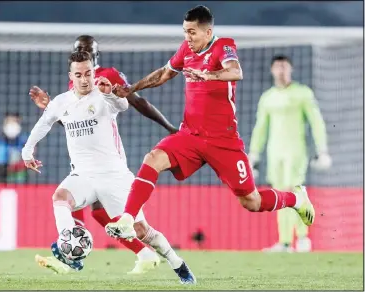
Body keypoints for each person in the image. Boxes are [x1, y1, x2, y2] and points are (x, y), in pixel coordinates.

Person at [105, 5, 315, 243]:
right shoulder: (186, 50)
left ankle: (296, 200)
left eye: (192, 32)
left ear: (207, 31)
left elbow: (236, 72)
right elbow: (164, 73)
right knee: (152, 158)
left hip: (223, 141)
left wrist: (209, 75)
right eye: (185, 31)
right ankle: (127, 219)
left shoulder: (223, 45)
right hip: (191, 136)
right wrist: (131, 89)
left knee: (252, 202)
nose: (187, 37)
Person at [22, 51, 195, 284]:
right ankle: (68, 247)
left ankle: (177, 263)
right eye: (79, 75)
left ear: (94, 72)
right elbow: (44, 124)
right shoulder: (61, 102)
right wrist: (27, 151)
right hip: (83, 175)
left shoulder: (103, 94)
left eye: (88, 74)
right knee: (60, 198)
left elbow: (122, 105)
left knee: (141, 231)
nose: (84, 79)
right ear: (70, 76)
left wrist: (111, 94)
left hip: (114, 177)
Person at [248, 55, 331, 253]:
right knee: (279, 195)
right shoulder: (268, 97)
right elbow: (261, 127)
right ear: (272, 70)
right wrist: (254, 154)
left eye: (285, 66)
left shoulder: (303, 93)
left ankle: (302, 239)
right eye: (278, 67)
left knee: (295, 193)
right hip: (274, 153)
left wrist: (322, 150)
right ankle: (284, 242)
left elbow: (316, 122)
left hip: (296, 152)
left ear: (291, 69)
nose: (281, 70)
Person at [0, 112, 28, 183]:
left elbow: (31, 163)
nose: (12, 126)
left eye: (14, 122)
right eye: (9, 122)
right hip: (0, 179)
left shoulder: (26, 142)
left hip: (19, 180)